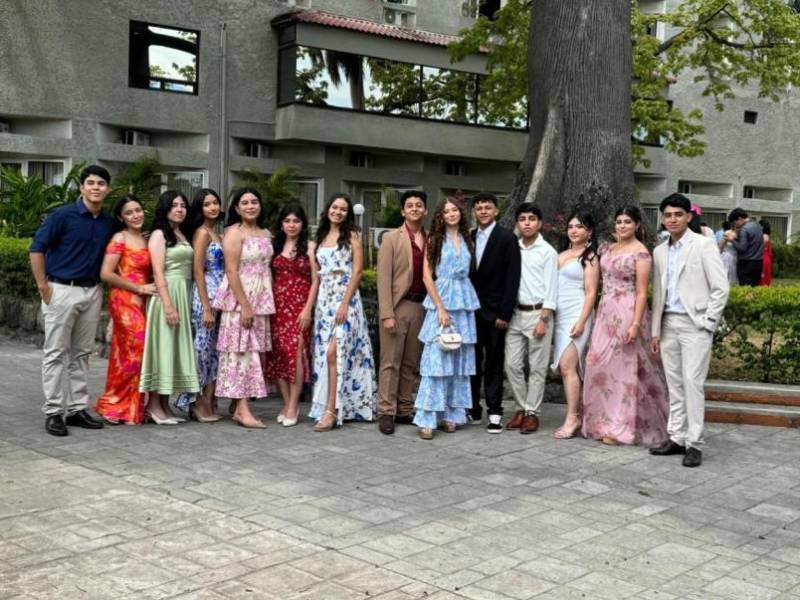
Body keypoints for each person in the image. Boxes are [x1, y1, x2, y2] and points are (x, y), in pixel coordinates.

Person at [30, 164, 114, 436]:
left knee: (82, 354)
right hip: (61, 289)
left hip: (92, 291)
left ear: (107, 189)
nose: (96, 188)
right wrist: (43, 286)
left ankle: (77, 408)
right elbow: (37, 249)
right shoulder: (62, 215)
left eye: (101, 184)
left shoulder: (108, 222)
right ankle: (54, 411)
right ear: (81, 187)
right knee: (55, 352)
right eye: (91, 183)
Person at [651, 193, 730, 468]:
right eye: (668, 215)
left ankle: (694, 443)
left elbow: (721, 287)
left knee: (692, 383)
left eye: (678, 214)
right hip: (668, 324)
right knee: (673, 384)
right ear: (663, 218)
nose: (672, 219)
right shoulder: (660, 250)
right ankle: (677, 437)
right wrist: (654, 331)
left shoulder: (703, 245)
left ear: (688, 216)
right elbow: (659, 293)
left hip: (695, 325)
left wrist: (709, 323)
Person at [582, 205, 669, 447]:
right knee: (598, 364)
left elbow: (642, 293)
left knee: (625, 371)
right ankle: (600, 421)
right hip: (605, 312)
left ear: (637, 225)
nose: (622, 226)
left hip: (628, 311)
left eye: (627, 222)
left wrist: (635, 324)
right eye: (619, 221)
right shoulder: (606, 248)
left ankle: (621, 427)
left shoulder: (641, 253)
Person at [414, 198, 480, 440]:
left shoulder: (467, 239)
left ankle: (452, 414)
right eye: (446, 211)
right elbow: (426, 277)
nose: (451, 214)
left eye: (454, 210)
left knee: (458, 361)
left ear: (460, 214)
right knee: (436, 361)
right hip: (441, 299)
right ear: (440, 216)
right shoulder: (434, 239)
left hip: (464, 300)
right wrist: (440, 308)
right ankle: (427, 417)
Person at [310, 193, 376, 431]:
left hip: (345, 300)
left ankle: (331, 411)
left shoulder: (352, 235)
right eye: (334, 207)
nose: (338, 212)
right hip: (325, 301)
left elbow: (358, 271)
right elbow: (317, 272)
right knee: (324, 355)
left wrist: (344, 303)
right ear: (328, 209)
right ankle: (331, 406)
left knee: (333, 354)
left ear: (348, 214)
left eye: (343, 209)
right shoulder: (321, 236)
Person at [213, 188, 275, 429]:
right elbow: (231, 271)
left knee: (254, 354)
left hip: (261, 298)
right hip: (241, 300)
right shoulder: (234, 234)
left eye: (254, 202)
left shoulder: (266, 233)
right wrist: (245, 306)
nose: (250, 206)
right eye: (244, 203)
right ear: (237, 209)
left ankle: (240, 405)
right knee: (241, 352)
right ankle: (241, 409)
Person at [94, 194, 157, 424]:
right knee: (135, 349)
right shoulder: (119, 238)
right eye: (129, 213)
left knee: (129, 353)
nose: (135, 215)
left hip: (143, 299)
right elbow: (106, 274)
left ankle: (131, 407)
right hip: (124, 300)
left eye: (138, 210)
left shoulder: (145, 237)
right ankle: (113, 404)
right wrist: (139, 288)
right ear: (121, 217)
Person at [139, 190, 199, 424]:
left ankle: (164, 404)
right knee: (162, 349)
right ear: (165, 208)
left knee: (173, 349)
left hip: (183, 293)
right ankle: (153, 406)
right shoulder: (158, 235)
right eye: (174, 205)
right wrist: (168, 305)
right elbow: (157, 271)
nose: (179, 209)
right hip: (167, 296)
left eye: (183, 205)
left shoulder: (182, 234)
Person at [376, 190, 428, 435]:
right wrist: (387, 313)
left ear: (425, 210)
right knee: (390, 362)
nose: (415, 208)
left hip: (421, 306)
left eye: (419, 205)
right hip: (397, 306)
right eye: (410, 205)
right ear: (402, 211)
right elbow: (382, 278)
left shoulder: (431, 238)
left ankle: (405, 409)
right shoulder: (391, 238)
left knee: (410, 362)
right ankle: (386, 410)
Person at [469, 192, 521, 433]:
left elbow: (512, 279)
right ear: (474, 212)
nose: (483, 211)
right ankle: (472, 407)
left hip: (496, 313)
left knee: (494, 362)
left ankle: (495, 411)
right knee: (472, 362)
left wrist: (505, 313)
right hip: (470, 312)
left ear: (496, 211)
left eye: (487, 207)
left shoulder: (507, 238)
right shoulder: (467, 237)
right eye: (479, 208)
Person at [503, 203, 557, 435]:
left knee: (537, 367)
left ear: (540, 223)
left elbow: (552, 289)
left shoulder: (548, 252)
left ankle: (531, 413)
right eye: (523, 219)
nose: (527, 223)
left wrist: (544, 318)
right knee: (512, 364)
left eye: (532, 219)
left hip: (538, 314)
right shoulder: (513, 248)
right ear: (517, 223)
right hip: (515, 314)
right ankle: (521, 407)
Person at [264, 203, 318, 428]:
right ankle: (286, 403)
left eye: (296, 221)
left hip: (299, 308)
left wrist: (308, 309)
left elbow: (316, 280)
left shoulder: (310, 247)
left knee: (296, 354)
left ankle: (294, 405)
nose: (291, 225)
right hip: (277, 307)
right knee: (278, 356)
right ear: (281, 223)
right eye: (287, 221)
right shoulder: (274, 245)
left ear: (303, 223)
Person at [176, 188, 225, 422]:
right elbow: (197, 270)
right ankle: (195, 402)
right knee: (201, 350)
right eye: (207, 204)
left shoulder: (218, 234)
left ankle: (208, 399)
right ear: (200, 208)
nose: (213, 207)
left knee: (214, 351)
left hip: (220, 296)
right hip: (204, 295)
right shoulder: (202, 233)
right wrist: (206, 305)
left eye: (215, 203)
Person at [551, 210, 599, 439]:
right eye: (570, 226)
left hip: (576, 314)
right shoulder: (561, 254)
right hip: (558, 316)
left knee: (567, 366)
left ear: (589, 232)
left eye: (579, 226)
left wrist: (581, 321)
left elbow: (591, 293)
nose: (573, 230)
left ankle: (572, 418)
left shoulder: (590, 257)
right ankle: (577, 412)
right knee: (568, 368)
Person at [724, 208, 763, 286]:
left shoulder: (744, 229)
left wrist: (731, 239)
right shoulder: (757, 225)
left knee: (746, 290)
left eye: (735, 223)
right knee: (755, 288)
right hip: (759, 262)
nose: (735, 225)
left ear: (739, 219)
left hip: (746, 263)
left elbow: (742, 248)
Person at [759, 219, 773, 286]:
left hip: (763, 258)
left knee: (762, 276)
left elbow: (760, 247)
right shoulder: (767, 236)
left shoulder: (763, 236)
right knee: (766, 275)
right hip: (767, 258)